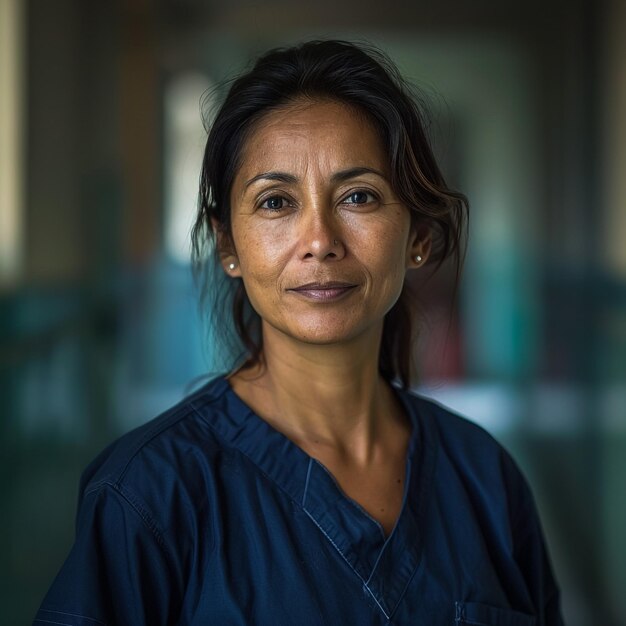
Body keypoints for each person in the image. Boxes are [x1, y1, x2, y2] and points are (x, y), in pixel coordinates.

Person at [34, 40, 564, 625]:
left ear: (417, 237)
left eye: (359, 196)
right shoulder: (147, 494)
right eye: (276, 201)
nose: (319, 240)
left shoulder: (485, 479)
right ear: (228, 245)